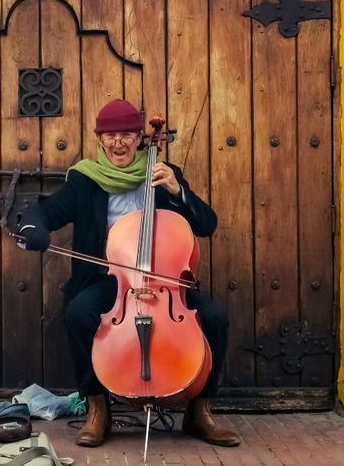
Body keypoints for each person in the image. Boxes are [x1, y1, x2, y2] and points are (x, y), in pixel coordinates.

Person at [15, 99, 240, 448]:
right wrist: (33, 228)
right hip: (111, 281)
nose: (118, 142)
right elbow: (47, 212)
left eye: (126, 135)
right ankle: (97, 409)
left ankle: (199, 412)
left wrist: (178, 191)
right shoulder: (85, 180)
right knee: (79, 313)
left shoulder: (164, 174)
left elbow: (206, 224)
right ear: (99, 139)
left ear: (139, 139)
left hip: (166, 283)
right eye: (110, 135)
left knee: (214, 318)